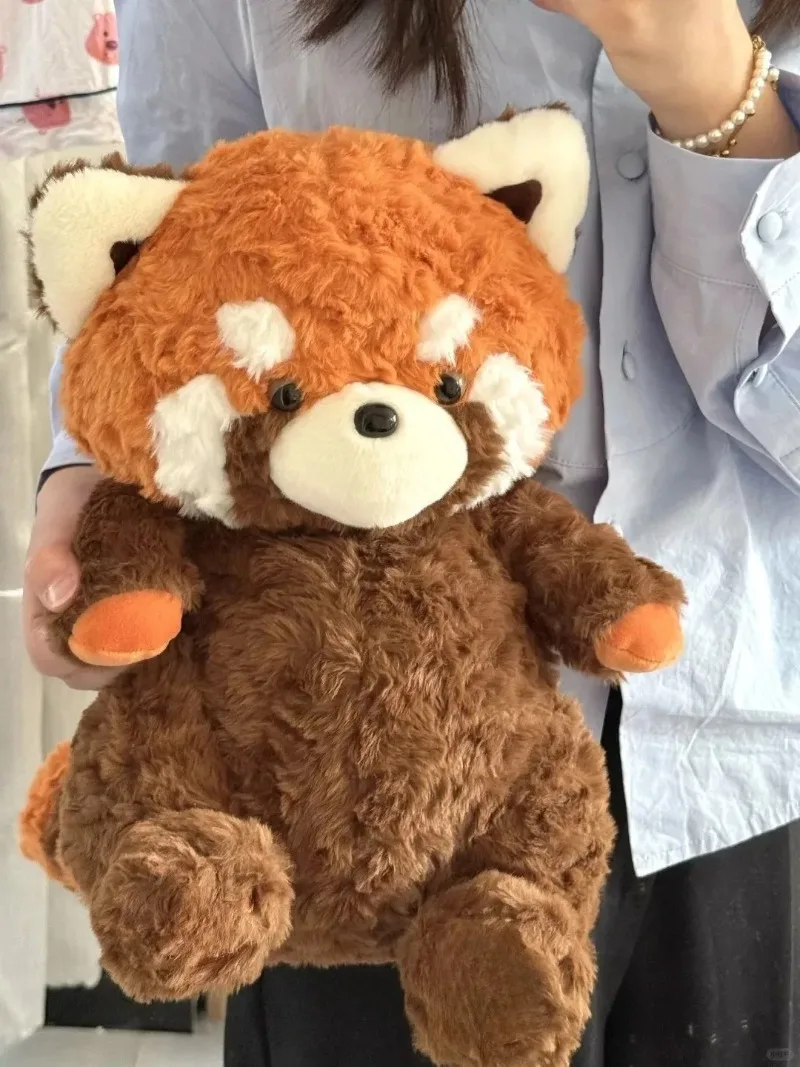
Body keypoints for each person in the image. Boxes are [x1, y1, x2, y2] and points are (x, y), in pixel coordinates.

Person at [22, 0, 800, 1064]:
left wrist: (717, 97)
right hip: (335, 762)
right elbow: (166, 259)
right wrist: (92, 479)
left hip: (735, 730)